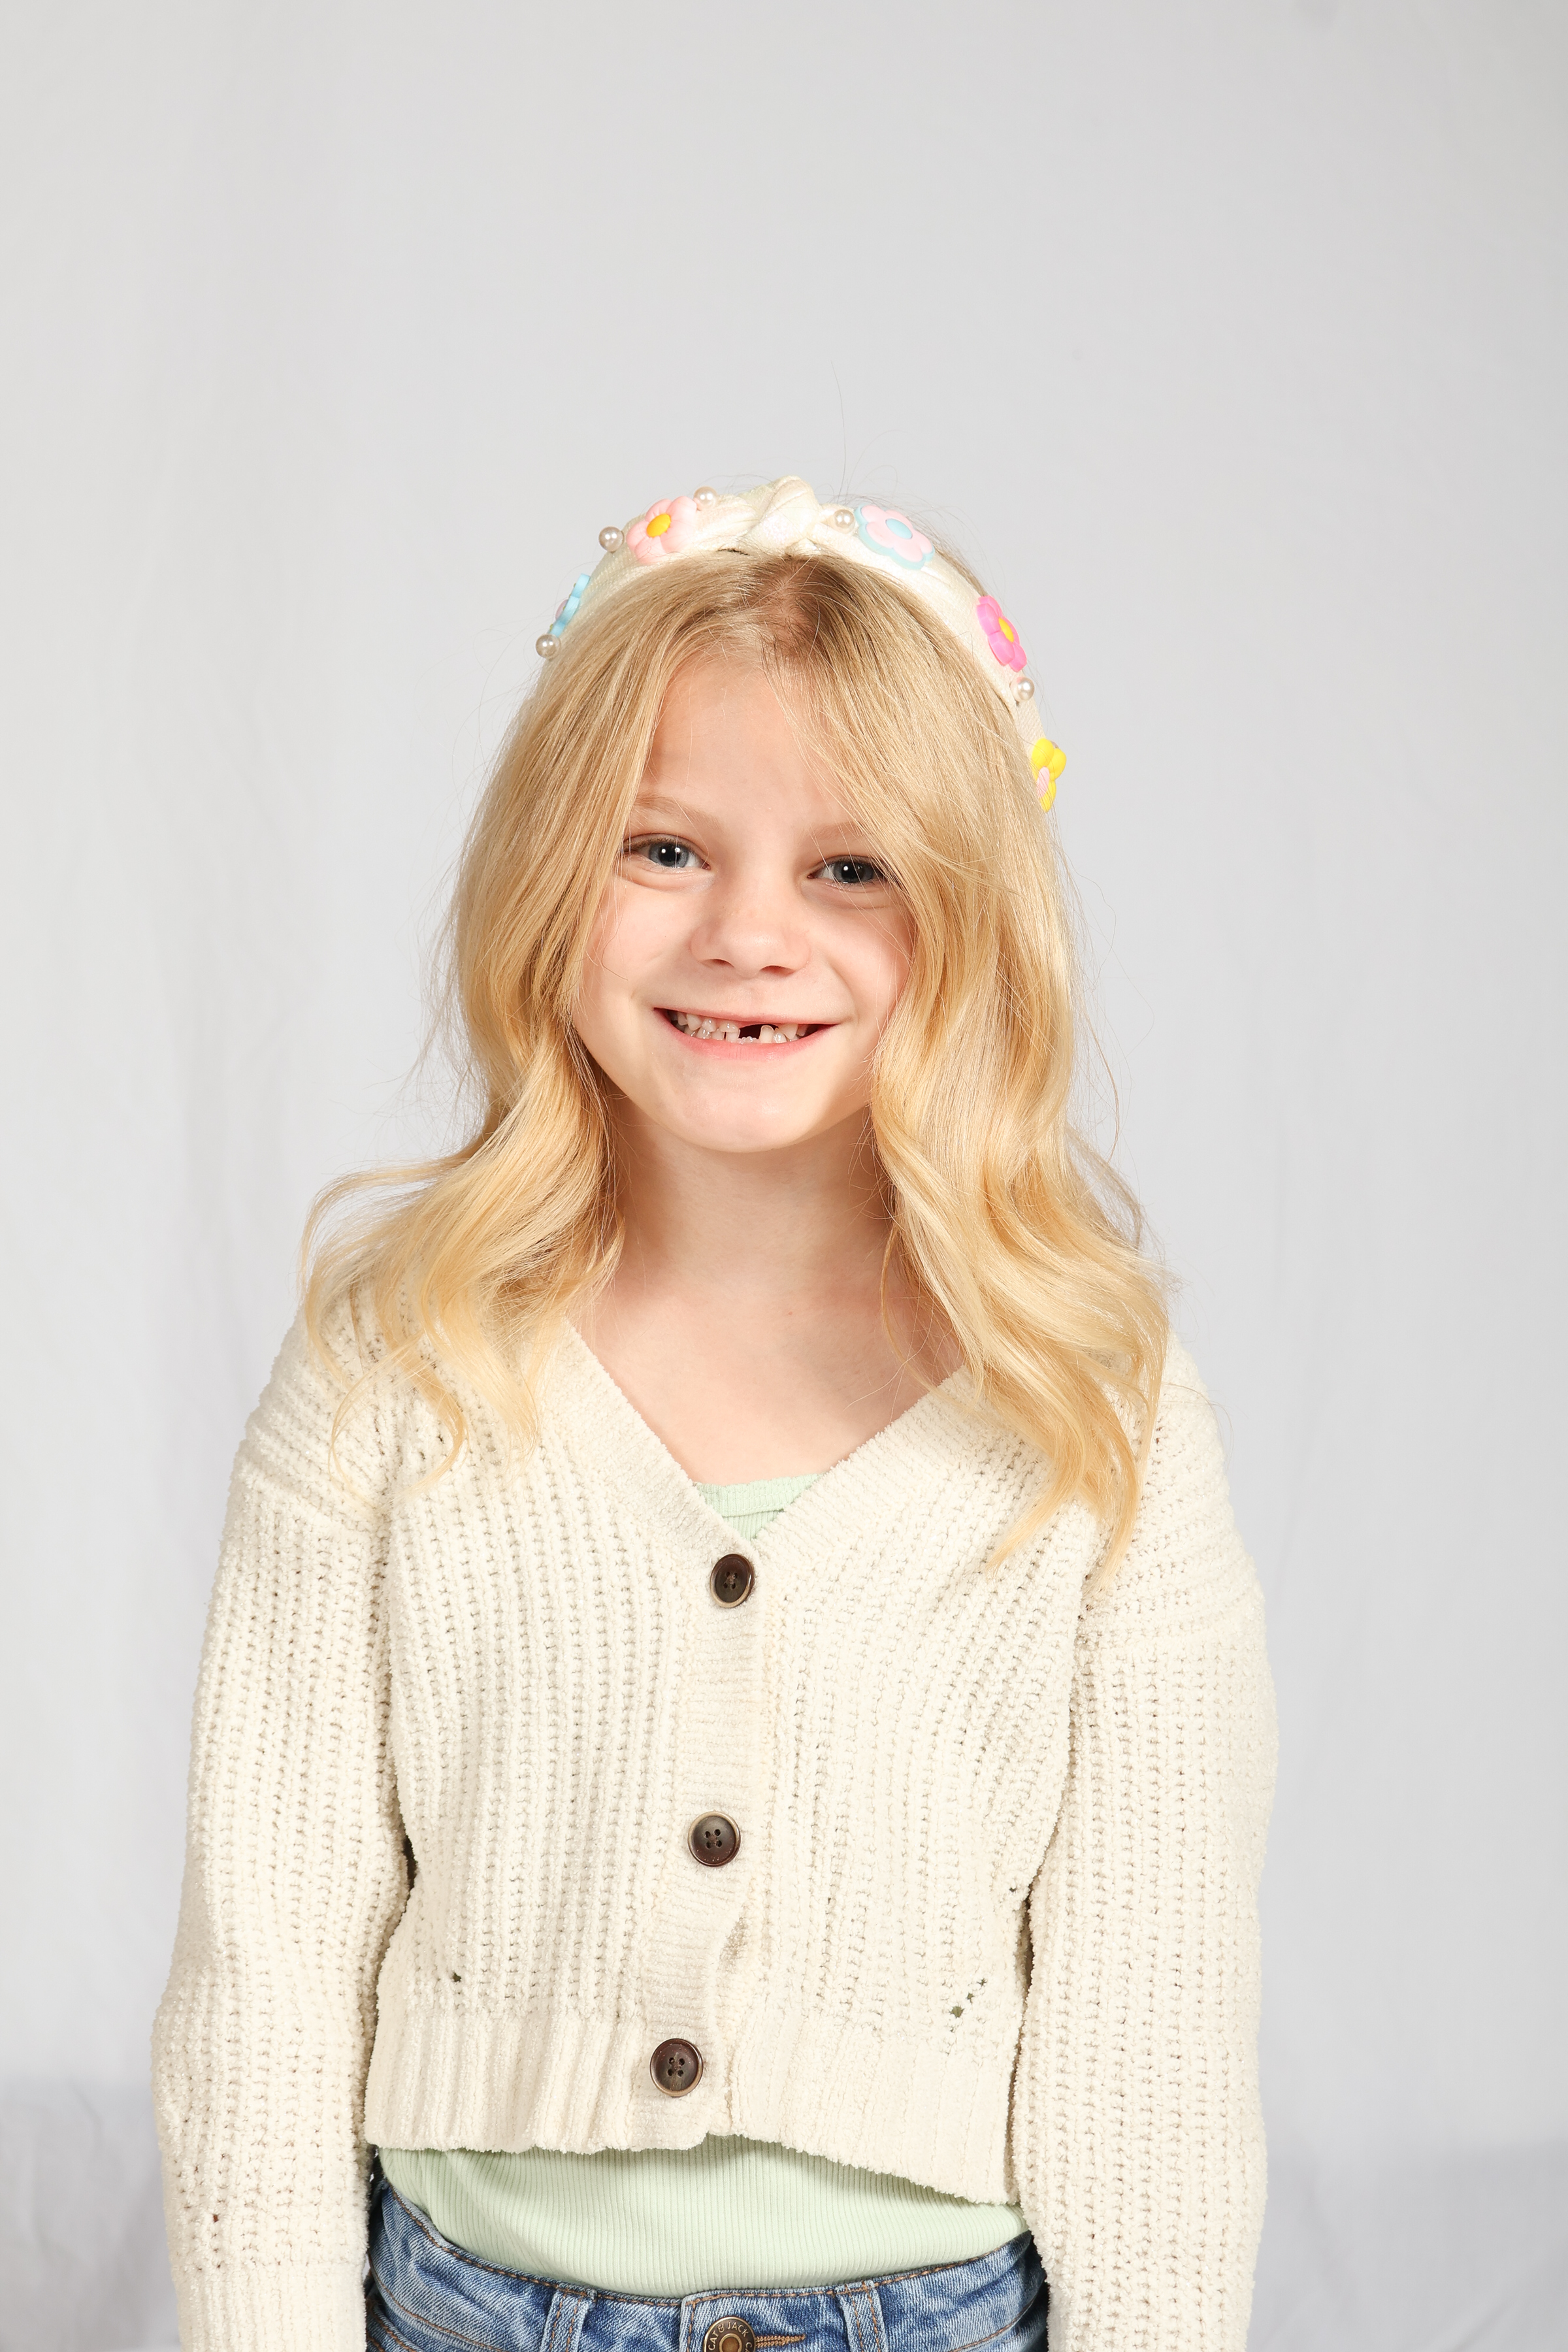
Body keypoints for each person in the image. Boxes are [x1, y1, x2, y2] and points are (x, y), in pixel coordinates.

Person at [152, 475, 1277, 2352]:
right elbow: (265, 1968)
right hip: (464, 2309)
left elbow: (1150, 2026)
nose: (752, 935)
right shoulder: (393, 1362)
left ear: (974, 913)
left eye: (852, 869)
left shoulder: (1096, 1410)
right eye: (664, 848)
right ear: (547, 875)